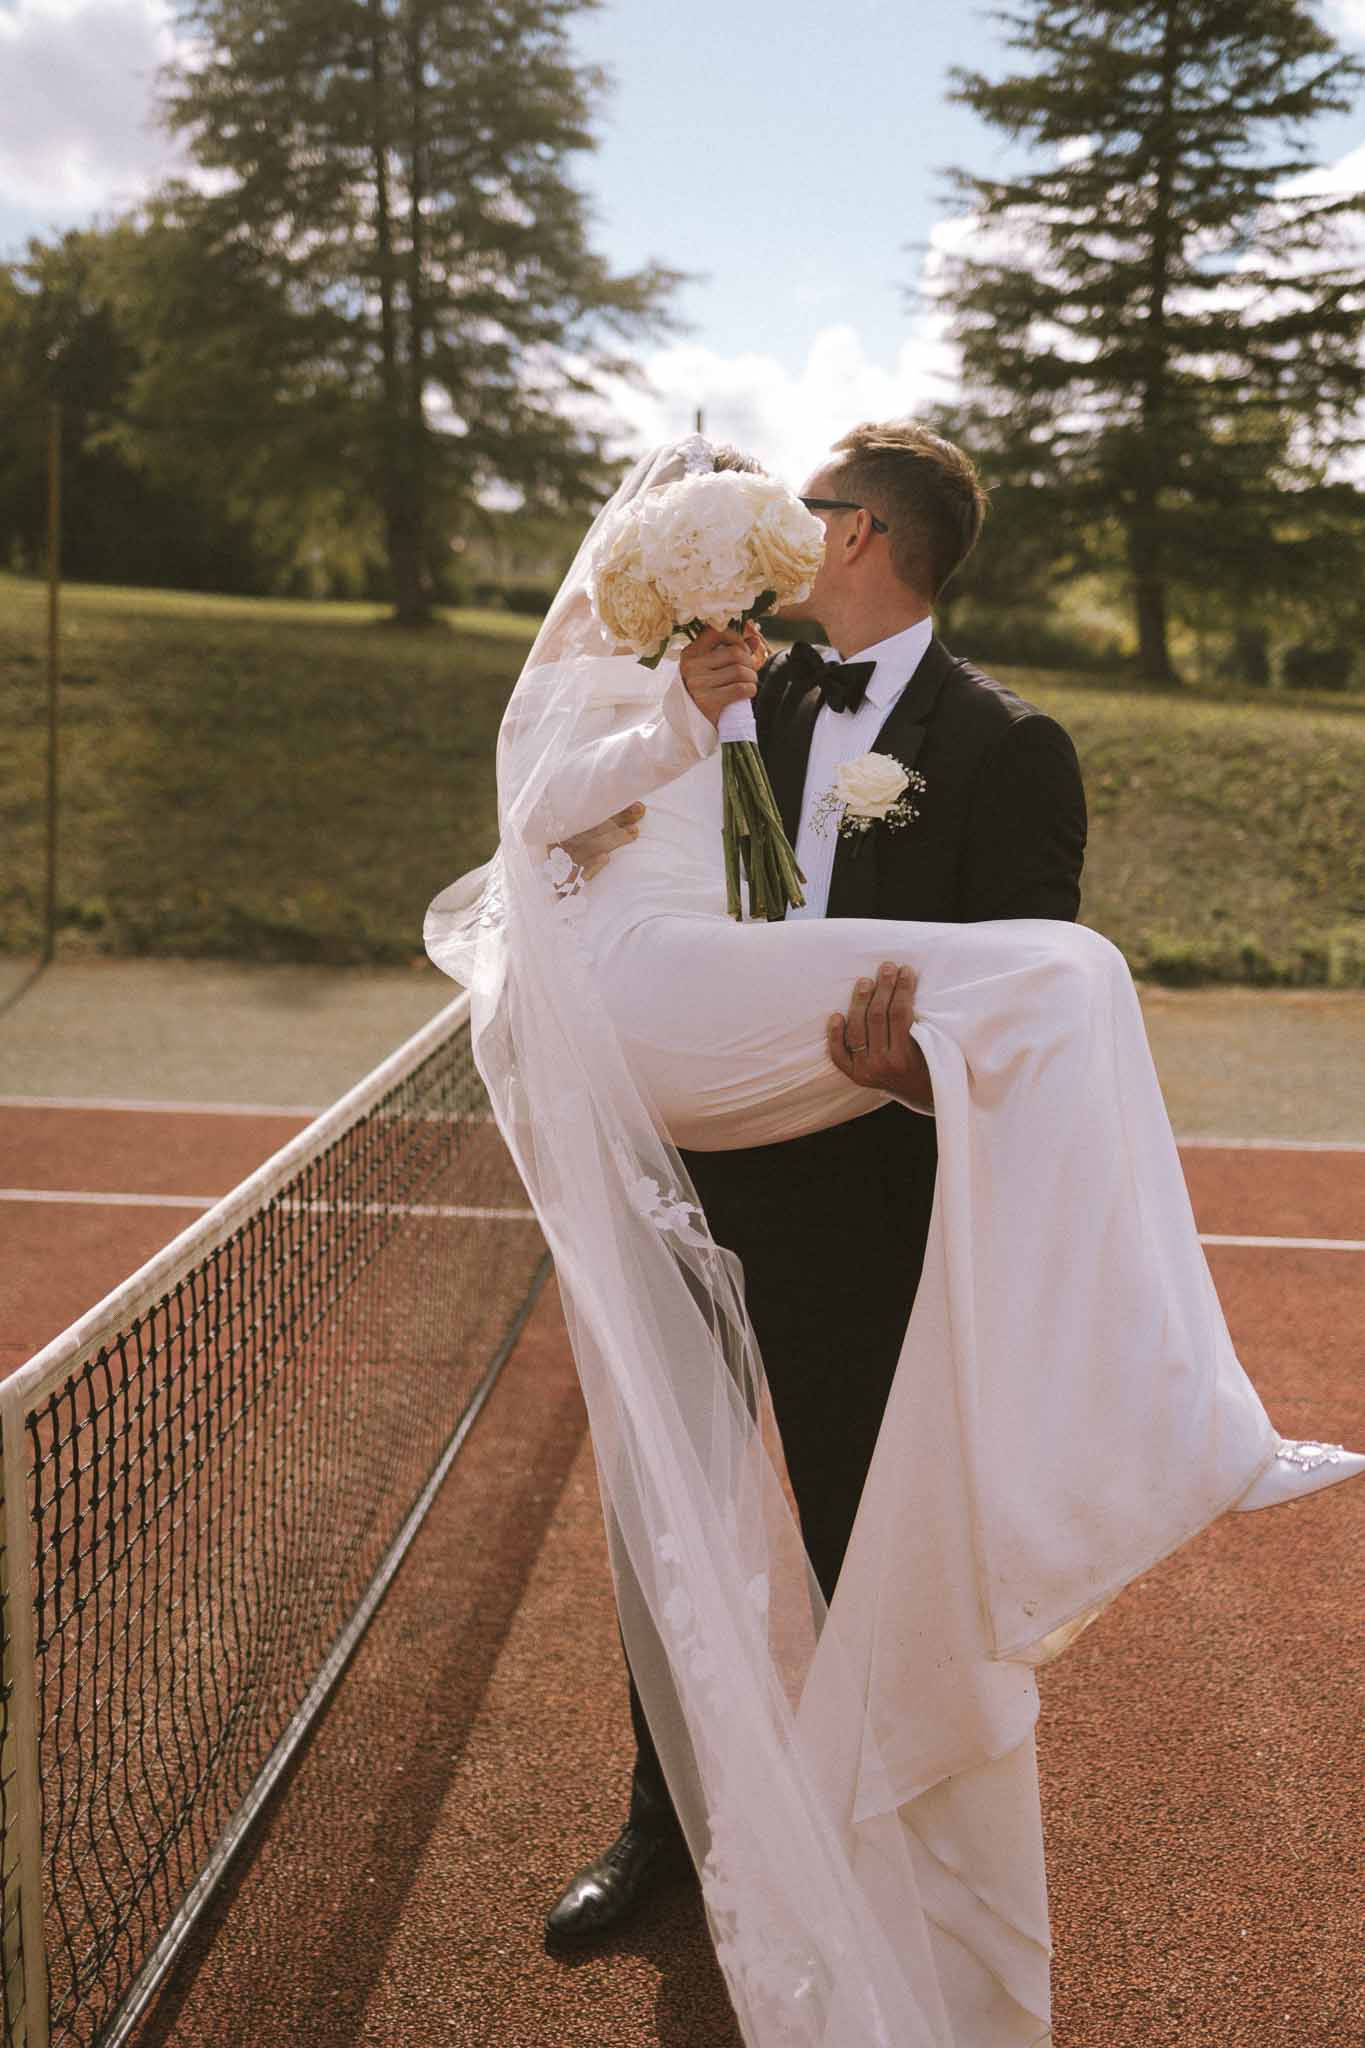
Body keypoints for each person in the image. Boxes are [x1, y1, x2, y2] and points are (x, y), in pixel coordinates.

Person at [424, 431, 1362, 2048]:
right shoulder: (752, 683)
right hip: (689, 1173)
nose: (788, 533)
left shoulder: (1006, 742)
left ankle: (890, 1833)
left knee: (872, 1532)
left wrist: (908, 1073)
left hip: (859, 1210)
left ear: (862, 533)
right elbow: (566, 831)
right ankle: (672, 1824)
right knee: (676, 1516)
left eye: (813, 511)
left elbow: (997, 968)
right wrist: (678, 710)